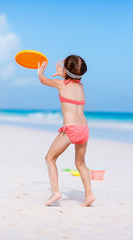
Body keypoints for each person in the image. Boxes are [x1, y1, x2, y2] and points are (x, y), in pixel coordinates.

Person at [37, 55, 95, 207]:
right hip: (84, 128)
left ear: (66, 71)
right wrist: (63, 73)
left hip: (71, 129)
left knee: (50, 158)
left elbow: (43, 81)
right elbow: (73, 79)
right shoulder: (81, 87)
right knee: (80, 163)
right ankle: (89, 195)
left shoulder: (61, 84)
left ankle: (56, 191)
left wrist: (40, 72)